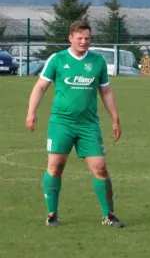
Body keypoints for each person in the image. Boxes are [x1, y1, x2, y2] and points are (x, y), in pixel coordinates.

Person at [25, 20, 123, 228]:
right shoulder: (58, 59)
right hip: (61, 123)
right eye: (79, 38)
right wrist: (31, 112)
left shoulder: (97, 62)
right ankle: (52, 214)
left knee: (101, 169)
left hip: (88, 125)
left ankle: (109, 215)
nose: (84, 42)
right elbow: (41, 86)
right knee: (55, 167)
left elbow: (105, 91)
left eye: (87, 38)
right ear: (70, 38)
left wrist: (115, 118)